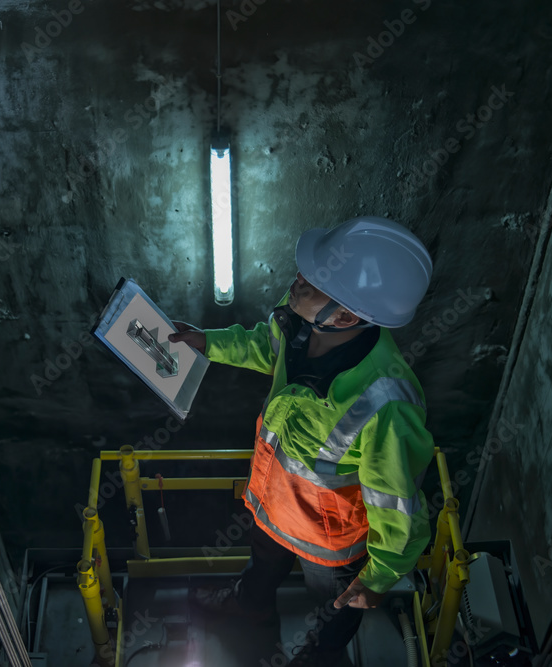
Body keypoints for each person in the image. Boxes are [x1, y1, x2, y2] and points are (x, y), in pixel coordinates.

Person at [168, 217, 436, 667]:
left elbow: (397, 502)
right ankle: (248, 606)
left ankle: (321, 655)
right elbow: (264, 347)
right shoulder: (304, 322)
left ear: (347, 314)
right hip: (275, 504)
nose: (296, 283)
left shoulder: (385, 403)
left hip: (330, 543)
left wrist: (379, 577)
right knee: (262, 568)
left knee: (335, 609)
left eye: (311, 283)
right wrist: (206, 343)